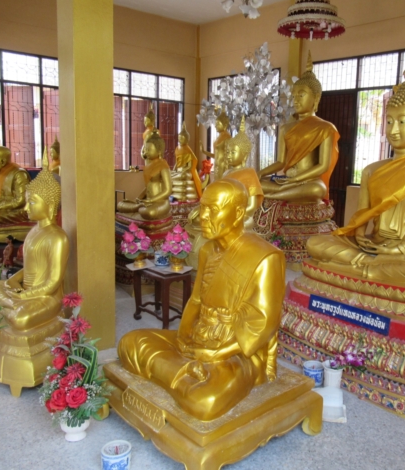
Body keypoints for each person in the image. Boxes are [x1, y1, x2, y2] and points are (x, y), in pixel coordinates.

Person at [118, 179, 285, 421]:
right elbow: (196, 300)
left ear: (238, 213)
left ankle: (180, 374)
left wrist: (214, 355)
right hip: (199, 339)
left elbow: (262, 325)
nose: (202, 217)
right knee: (130, 342)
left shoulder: (265, 257)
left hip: (236, 353)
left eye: (212, 209)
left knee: (205, 401)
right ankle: (185, 374)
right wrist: (183, 339)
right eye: (202, 207)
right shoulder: (208, 250)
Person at [306, 62, 405, 287]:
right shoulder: (372, 170)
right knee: (315, 243)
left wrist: (398, 249)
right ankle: (369, 268)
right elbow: (362, 216)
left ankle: (354, 270)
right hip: (372, 246)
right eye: (389, 121)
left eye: (402, 122)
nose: (393, 129)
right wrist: (360, 236)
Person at [0, 162, 68, 332]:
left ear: (50, 205)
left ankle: (9, 307)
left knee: (20, 319)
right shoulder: (34, 231)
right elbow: (31, 267)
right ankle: (11, 305)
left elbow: (53, 282)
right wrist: (14, 280)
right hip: (24, 292)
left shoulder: (57, 237)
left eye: (31, 202)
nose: (25, 208)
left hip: (46, 297)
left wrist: (25, 295)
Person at [257, 52, 339, 203]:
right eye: (294, 96)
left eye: (301, 95)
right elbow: (281, 162)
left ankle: (272, 196)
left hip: (308, 181)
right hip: (287, 180)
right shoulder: (285, 128)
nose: (295, 100)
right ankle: (278, 193)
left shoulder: (325, 128)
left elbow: (323, 166)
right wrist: (260, 173)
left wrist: (296, 179)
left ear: (316, 98)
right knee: (259, 183)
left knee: (318, 189)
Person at [116, 130, 172, 221]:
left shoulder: (163, 166)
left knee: (149, 212)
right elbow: (147, 187)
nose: (146, 152)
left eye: (149, 150)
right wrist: (138, 198)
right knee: (120, 205)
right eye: (146, 149)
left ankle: (138, 208)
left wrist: (151, 200)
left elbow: (168, 190)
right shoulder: (148, 166)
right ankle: (138, 207)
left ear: (159, 152)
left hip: (160, 202)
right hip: (146, 201)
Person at [170, 122, 202, 201]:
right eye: (179, 138)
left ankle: (184, 197)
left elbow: (189, 166)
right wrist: (173, 170)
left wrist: (184, 170)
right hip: (178, 171)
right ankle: (173, 197)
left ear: (187, 140)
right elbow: (177, 163)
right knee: (169, 175)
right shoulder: (177, 149)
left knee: (182, 176)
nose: (180, 140)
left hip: (186, 172)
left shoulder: (187, 150)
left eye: (182, 138)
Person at [202, 110, 232, 181]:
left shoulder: (227, 138)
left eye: (218, 124)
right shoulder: (218, 138)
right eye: (216, 124)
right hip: (217, 166)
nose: (215, 126)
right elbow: (215, 156)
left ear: (224, 125)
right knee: (217, 184)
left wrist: (227, 170)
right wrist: (204, 151)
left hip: (224, 167)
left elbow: (229, 156)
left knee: (223, 184)